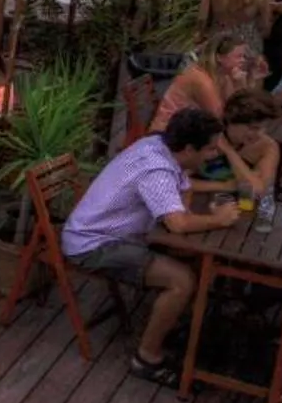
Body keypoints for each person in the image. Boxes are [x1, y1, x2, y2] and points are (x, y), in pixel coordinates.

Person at [61, 107, 242, 386]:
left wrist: (219, 193)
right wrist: (218, 220)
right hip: (94, 244)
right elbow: (178, 223)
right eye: (210, 149)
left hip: (116, 234)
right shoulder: (156, 168)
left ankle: (174, 324)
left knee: (194, 259)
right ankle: (146, 358)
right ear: (189, 148)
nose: (215, 154)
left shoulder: (159, 145)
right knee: (182, 280)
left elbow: (182, 189)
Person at [149, 33, 257, 132]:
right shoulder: (201, 79)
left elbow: (234, 105)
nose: (243, 60)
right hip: (169, 131)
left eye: (243, 57)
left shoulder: (223, 75)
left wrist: (241, 83)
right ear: (219, 57)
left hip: (191, 128)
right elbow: (220, 118)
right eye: (238, 56)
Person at [194, 87, 279, 205]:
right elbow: (176, 181)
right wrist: (225, 186)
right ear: (231, 121)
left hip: (243, 207)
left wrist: (228, 151)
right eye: (253, 128)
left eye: (263, 128)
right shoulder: (204, 135)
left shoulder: (266, 146)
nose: (260, 134)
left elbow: (259, 192)